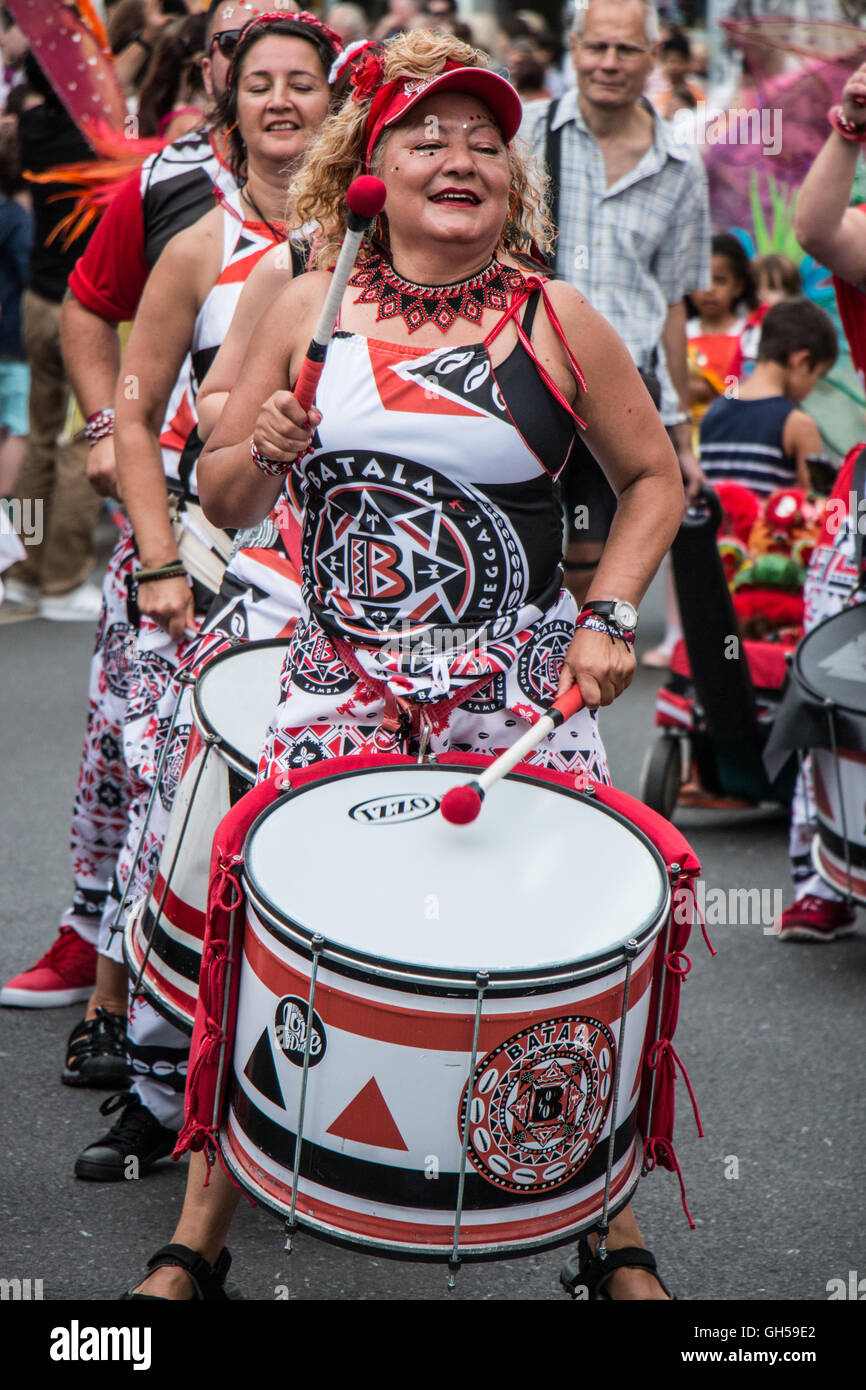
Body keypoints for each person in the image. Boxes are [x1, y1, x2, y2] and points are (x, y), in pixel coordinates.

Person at [123, 29, 684, 1302]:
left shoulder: (557, 317)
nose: (460, 155)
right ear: (365, 163)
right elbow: (217, 491)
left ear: (512, 181)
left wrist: (605, 613)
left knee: (567, 939)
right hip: (338, 676)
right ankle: (201, 1230)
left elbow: (655, 477)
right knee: (277, 933)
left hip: (517, 688)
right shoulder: (298, 299)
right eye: (426, 134)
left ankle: (612, 1230)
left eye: (486, 140)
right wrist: (259, 446)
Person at [66, 13, 339, 1182]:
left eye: (304, 86)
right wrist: (162, 557)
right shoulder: (196, 234)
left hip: (328, 590)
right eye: (261, 84)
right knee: (175, 811)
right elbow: (132, 405)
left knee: (306, 824)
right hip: (200, 567)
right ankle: (146, 1070)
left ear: (337, 106)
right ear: (229, 100)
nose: (282, 102)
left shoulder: (379, 241)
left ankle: (302, 1070)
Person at [0, 1, 260, 1009]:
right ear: (213, 68)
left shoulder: (364, 188)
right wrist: (112, 435)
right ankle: (94, 936)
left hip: (301, 529)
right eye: (238, 50)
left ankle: (238, 964)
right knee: (132, 732)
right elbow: (87, 309)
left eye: (287, 56)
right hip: (172, 514)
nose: (264, 75)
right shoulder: (163, 179)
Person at [520, 0, 710, 607]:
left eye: (627, 49)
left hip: (626, 389)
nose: (609, 63)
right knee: (520, 554)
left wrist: (680, 434)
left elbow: (674, 306)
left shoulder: (680, 166)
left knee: (597, 569)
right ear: (573, 49)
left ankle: (571, 695)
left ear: (652, 57)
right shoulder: (525, 133)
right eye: (597, 47)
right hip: (531, 374)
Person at [1, 49, 102, 621]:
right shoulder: (97, 143)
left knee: (41, 440)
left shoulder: (34, 130)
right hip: (80, 305)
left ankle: (26, 572)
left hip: (37, 302)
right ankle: (62, 581)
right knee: (82, 440)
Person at [699, 299, 837, 497]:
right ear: (802, 361)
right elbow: (814, 509)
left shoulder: (712, 412)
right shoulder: (798, 425)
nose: (811, 390)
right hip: (769, 528)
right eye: (816, 377)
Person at [687, 231, 759, 420]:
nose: (710, 289)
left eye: (720, 280)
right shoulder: (681, 335)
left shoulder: (750, 336)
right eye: (701, 281)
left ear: (738, 287)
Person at [0, 122, 31, 500]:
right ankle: (7, 506)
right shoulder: (21, 222)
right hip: (15, 342)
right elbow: (30, 276)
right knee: (19, 425)